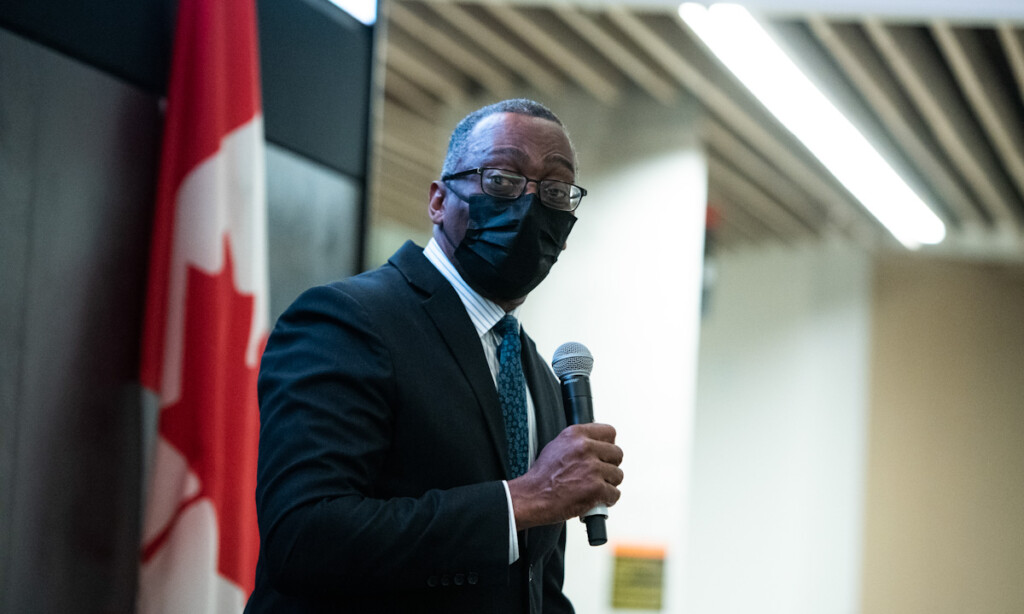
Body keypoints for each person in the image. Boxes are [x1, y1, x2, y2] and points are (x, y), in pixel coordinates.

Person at [245, 99, 624, 613]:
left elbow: (533, 588)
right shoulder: (347, 319)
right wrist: (524, 499)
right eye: (502, 179)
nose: (530, 204)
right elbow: (304, 537)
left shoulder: (536, 372)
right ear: (439, 201)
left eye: (555, 191)